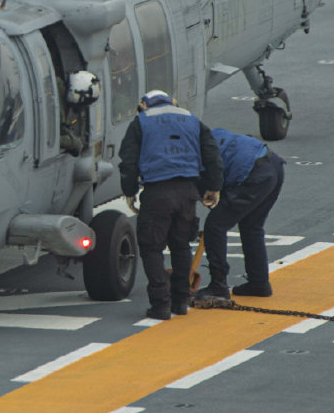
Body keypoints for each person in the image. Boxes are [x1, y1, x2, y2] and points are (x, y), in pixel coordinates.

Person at [118, 89, 224, 320]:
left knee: (151, 247)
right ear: (172, 101)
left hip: (157, 192)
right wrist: (213, 187)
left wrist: (129, 192)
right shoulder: (191, 118)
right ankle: (181, 301)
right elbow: (212, 155)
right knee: (181, 245)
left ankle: (160, 305)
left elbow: (128, 161)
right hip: (187, 191)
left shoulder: (141, 121)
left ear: (144, 104)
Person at [199, 123, 287, 299]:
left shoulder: (188, 153)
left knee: (215, 226)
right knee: (251, 227)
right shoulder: (208, 133)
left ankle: (218, 286)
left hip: (253, 174)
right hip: (273, 165)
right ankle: (259, 283)